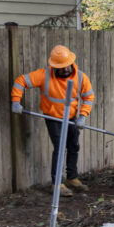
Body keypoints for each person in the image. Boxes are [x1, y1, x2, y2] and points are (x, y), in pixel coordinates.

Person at [10, 45, 95, 197]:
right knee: (60, 147)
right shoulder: (44, 75)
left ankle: (72, 177)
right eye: (61, 67)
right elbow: (20, 81)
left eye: (67, 66)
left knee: (74, 146)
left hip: (71, 118)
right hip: (53, 118)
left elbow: (88, 97)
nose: (65, 70)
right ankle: (57, 183)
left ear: (71, 62)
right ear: (54, 66)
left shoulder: (81, 77)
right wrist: (16, 101)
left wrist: (83, 116)